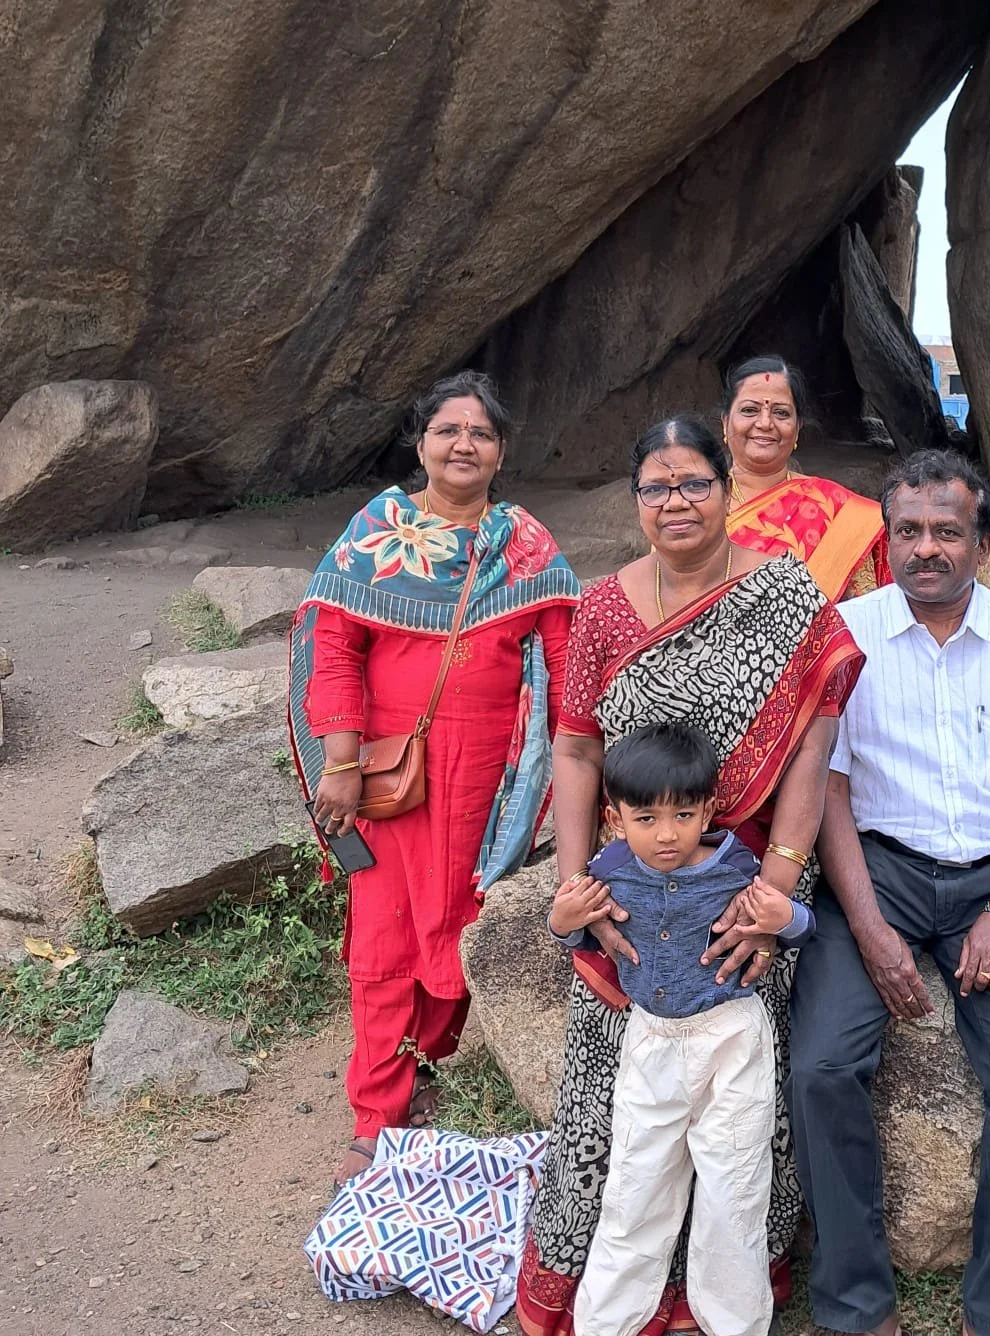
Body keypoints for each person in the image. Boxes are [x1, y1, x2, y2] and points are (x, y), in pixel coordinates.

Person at [517, 413, 864, 1336]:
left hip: (744, 880)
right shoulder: (602, 607)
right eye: (656, 487)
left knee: (741, 1112)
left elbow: (816, 740)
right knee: (613, 1100)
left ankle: (726, 1295)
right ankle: (604, 1291)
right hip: (630, 885)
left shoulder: (784, 593)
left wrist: (776, 888)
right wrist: (580, 888)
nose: (676, 502)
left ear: (726, 487)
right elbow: (578, 748)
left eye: (694, 483)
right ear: (636, 500)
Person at [790, 449, 990, 1336]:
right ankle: (857, 1307)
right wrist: (868, 927)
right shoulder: (843, 636)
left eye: (946, 531)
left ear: (983, 543)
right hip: (877, 872)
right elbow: (829, 790)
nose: (925, 548)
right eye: (907, 531)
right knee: (820, 1068)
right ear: (886, 539)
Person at [288, 370, 579, 1190]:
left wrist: (581, 770)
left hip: (490, 786)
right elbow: (333, 648)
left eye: (480, 433)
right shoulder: (377, 533)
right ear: (420, 443)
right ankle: (376, 1115)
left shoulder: (526, 546)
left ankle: (429, 1064)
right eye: (448, 430)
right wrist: (341, 763)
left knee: (464, 919)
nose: (463, 445)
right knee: (383, 938)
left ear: (501, 453)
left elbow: (566, 663)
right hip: (385, 778)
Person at [549, 722, 814, 1336]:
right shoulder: (608, 871)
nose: (666, 835)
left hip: (733, 1041)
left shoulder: (736, 865)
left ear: (708, 811)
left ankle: (734, 1322)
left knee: (735, 1185)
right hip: (652, 1044)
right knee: (636, 1181)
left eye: (683, 815)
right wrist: (563, 920)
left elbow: (799, 927)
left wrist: (786, 918)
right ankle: (607, 1322)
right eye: (646, 818)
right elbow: (576, 933)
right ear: (615, 818)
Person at [721, 355, 890, 600]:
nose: (765, 423)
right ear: (725, 422)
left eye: (781, 413)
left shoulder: (837, 511)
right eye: (749, 410)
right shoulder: (692, 502)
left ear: (798, 428)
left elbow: (864, 608)